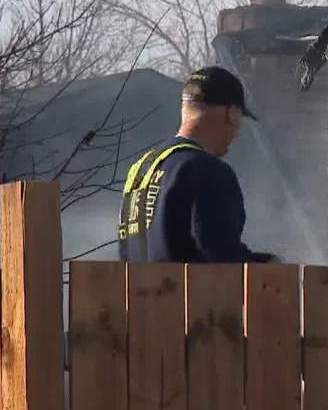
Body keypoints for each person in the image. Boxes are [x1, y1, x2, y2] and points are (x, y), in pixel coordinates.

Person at [117, 66, 273, 263]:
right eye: (239, 120)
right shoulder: (207, 171)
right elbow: (223, 260)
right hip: (190, 294)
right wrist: (269, 268)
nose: (237, 132)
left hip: (134, 292)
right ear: (231, 114)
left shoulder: (141, 169)